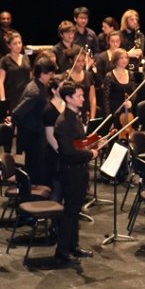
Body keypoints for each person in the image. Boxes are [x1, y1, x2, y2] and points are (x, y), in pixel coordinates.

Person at [53, 80, 98, 264]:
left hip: (79, 170)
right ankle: (62, 251)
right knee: (70, 211)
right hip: (70, 171)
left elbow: (78, 143)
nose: (83, 98)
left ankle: (73, 245)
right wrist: (90, 153)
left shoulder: (75, 117)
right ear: (68, 98)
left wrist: (94, 142)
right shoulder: (63, 122)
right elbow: (68, 151)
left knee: (75, 210)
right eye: (79, 96)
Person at [11, 57, 58, 186]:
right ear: (42, 74)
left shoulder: (37, 85)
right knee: (35, 165)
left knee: (37, 165)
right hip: (32, 135)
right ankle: (33, 193)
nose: (52, 76)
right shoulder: (35, 91)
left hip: (35, 131)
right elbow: (17, 112)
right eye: (50, 74)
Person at [0, 31, 32, 107]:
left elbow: (30, 78)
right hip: (12, 97)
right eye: (15, 43)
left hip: (26, 96)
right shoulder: (4, 60)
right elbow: (0, 82)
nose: (18, 46)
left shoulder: (26, 58)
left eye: (19, 43)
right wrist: (3, 100)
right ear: (9, 45)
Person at [119, 9, 145, 74]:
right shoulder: (118, 35)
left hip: (135, 68)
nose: (135, 22)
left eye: (136, 19)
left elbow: (139, 52)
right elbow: (115, 54)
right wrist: (128, 54)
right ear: (125, 21)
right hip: (121, 67)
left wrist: (125, 54)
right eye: (132, 20)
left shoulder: (139, 35)